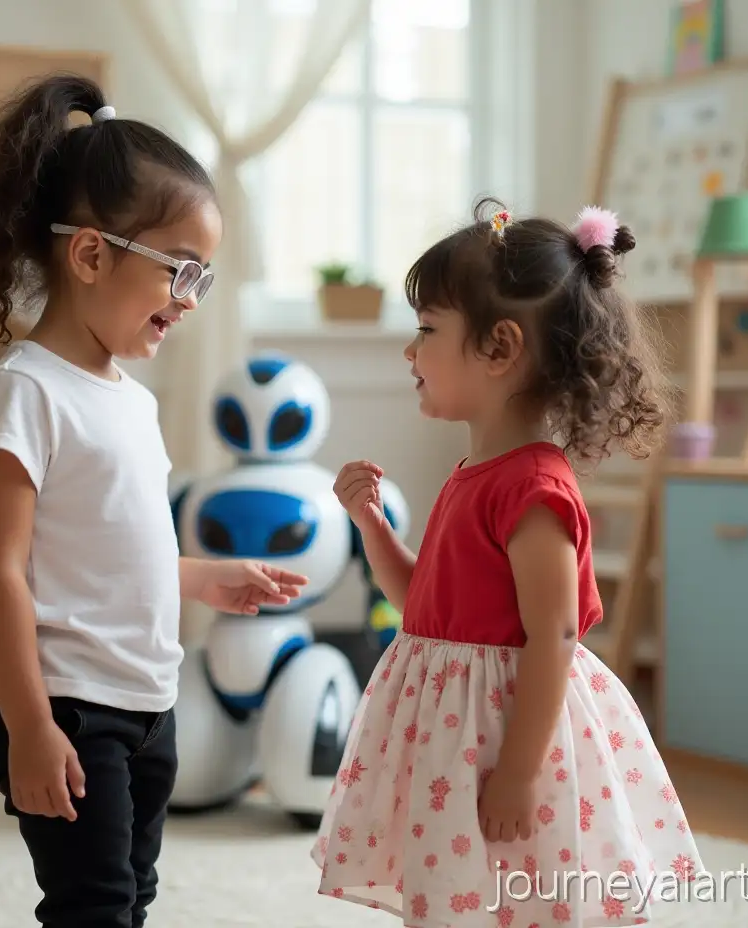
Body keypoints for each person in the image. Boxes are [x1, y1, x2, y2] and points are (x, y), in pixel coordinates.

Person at [0, 74, 308, 928]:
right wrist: (31, 727)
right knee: (93, 904)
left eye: (203, 280)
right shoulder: (21, 394)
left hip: (148, 700)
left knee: (132, 897)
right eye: (179, 271)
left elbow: (106, 551)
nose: (187, 300)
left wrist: (203, 577)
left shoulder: (132, 401)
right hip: (63, 703)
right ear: (92, 254)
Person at [311, 198, 703, 926]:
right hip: (453, 731)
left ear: (498, 349)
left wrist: (519, 772)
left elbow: (554, 635)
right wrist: (371, 526)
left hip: (502, 730)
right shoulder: (474, 473)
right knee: (460, 889)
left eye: (426, 331)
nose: (410, 352)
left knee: (520, 889)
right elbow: (424, 605)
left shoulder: (533, 489)